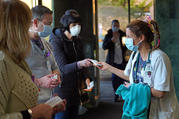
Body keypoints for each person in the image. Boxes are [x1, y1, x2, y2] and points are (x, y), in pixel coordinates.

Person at [98, 20, 179, 119]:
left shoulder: (159, 58)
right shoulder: (135, 55)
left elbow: (160, 92)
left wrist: (133, 87)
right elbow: (128, 75)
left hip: (159, 112)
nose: (126, 40)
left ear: (141, 38)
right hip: (141, 110)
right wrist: (107, 67)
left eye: (129, 37)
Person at [0, 0, 65, 119]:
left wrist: (48, 107)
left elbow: (53, 66)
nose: (29, 28)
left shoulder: (42, 45)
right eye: (26, 23)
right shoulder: (4, 60)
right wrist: (32, 113)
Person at [49, 9, 92, 119]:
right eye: (74, 24)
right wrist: (81, 64)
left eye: (79, 24)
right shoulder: (56, 40)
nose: (77, 27)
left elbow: (82, 61)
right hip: (62, 90)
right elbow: (62, 68)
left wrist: (87, 80)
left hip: (76, 90)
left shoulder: (77, 40)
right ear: (66, 25)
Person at [26, 5, 61, 104]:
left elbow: (54, 66)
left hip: (48, 99)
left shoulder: (45, 43)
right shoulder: (20, 47)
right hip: (30, 101)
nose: (50, 27)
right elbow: (16, 77)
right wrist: (39, 81)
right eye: (47, 24)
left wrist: (56, 76)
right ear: (35, 22)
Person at [102, 19, 127, 102]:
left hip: (122, 59)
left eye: (117, 25)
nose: (115, 27)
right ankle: (116, 93)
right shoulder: (108, 35)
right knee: (114, 78)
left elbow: (126, 45)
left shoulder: (122, 34)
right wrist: (111, 40)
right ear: (111, 26)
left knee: (122, 78)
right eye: (114, 25)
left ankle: (122, 93)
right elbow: (104, 46)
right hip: (113, 60)